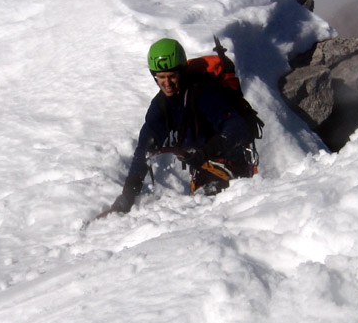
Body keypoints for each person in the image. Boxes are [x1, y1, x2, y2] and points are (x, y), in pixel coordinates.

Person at [110, 38, 256, 213]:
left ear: (182, 72)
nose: (167, 83)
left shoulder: (205, 92)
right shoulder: (161, 105)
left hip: (230, 162)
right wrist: (129, 193)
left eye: (172, 76)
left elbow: (238, 127)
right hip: (202, 169)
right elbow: (144, 148)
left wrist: (206, 151)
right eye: (161, 77)